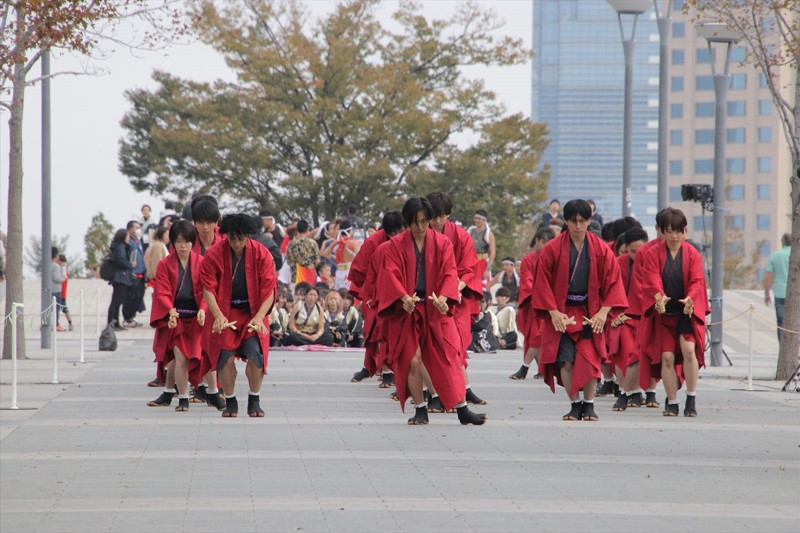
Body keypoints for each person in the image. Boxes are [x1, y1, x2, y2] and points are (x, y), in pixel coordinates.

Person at [376, 197, 487, 426]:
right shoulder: (395, 245)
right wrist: (403, 298)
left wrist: (445, 298)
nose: (420, 226)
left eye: (424, 221)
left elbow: (450, 272)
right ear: (407, 221)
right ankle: (420, 409)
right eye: (415, 222)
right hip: (408, 308)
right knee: (413, 359)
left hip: (435, 305)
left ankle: (462, 408)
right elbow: (390, 274)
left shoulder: (443, 243)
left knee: (449, 356)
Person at [533, 199, 628, 422]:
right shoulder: (553, 249)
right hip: (564, 312)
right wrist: (553, 312)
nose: (578, 226)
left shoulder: (600, 249)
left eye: (582, 221)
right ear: (566, 221)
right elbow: (542, 283)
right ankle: (575, 404)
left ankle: (589, 404)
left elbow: (614, 282)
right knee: (566, 360)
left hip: (590, 312)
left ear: (589, 220)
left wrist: (603, 312)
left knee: (590, 360)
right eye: (573, 221)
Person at [200, 213, 278, 418]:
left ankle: (254, 399)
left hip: (253, 313)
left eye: (241, 239)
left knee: (256, 354)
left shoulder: (262, 253)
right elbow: (208, 288)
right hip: (225, 314)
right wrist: (217, 315)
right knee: (224, 355)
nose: (236, 243)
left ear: (248, 236)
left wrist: (259, 317)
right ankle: (231, 400)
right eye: (232, 238)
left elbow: (269, 289)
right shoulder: (214, 253)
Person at [639, 208, 709, 417]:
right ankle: (672, 401)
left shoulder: (693, 254)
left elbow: (697, 280)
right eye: (669, 231)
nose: (674, 236)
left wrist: (691, 297)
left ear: (684, 231)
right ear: (662, 231)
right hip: (664, 312)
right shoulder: (652, 254)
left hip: (686, 311)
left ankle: (691, 397)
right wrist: (659, 296)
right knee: (667, 357)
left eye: (678, 231)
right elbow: (651, 278)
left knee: (689, 350)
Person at [427, 191, 488, 407]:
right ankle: (436, 394)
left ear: (448, 214)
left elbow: (470, 269)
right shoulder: (420, 235)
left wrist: (454, 289)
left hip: (455, 299)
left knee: (456, 347)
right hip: (429, 299)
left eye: (442, 216)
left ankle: (461, 391)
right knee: (431, 347)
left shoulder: (461, 236)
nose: (438, 221)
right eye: (434, 216)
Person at [146, 221, 207, 412]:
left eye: (187, 241)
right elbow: (162, 291)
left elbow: (207, 290)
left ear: (193, 242)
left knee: (192, 356)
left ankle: (207, 391)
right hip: (176, 318)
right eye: (179, 241)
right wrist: (170, 309)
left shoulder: (202, 262)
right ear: (172, 242)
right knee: (180, 357)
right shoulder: (165, 264)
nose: (183, 246)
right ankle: (183, 397)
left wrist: (203, 309)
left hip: (196, 319)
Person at [348, 211, 405, 385]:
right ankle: (379, 368)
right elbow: (360, 268)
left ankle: (388, 369)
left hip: (401, 291)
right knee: (377, 330)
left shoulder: (408, 240)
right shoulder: (375, 243)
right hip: (376, 291)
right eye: (394, 232)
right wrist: (370, 291)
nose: (398, 234)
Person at [607, 227, 648, 412]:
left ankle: (637, 391)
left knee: (642, 353)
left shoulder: (652, 263)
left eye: (640, 250)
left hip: (644, 316)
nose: (636, 255)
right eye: (632, 251)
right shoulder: (618, 264)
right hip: (621, 316)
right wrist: (615, 315)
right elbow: (610, 291)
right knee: (625, 351)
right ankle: (627, 390)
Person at [511, 226, 555, 380]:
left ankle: (526, 368)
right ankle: (542, 369)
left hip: (550, 304)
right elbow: (527, 281)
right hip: (534, 304)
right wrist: (540, 295)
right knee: (536, 337)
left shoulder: (555, 259)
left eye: (549, 242)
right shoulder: (529, 260)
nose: (546, 245)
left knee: (538, 337)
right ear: (537, 241)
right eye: (543, 242)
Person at [764, 233, 791, 340]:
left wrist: (767, 293)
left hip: (779, 293)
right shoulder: (796, 255)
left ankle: (782, 346)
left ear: (782, 242)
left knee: (780, 322)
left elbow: (769, 275)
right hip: (795, 294)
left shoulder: (775, 255)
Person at [106, 229, 134, 330]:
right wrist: (130, 264)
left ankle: (115, 322)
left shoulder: (118, 246)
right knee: (116, 302)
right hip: (120, 277)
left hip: (119, 277)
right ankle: (111, 322)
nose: (129, 238)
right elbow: (121, 261)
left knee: (117, 302)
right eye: (127, 236)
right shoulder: (120, 247)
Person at [122, 220, 145, 328]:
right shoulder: (128, 242)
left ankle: (132, 316)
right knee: (130, 297)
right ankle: (126, 318)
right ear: (130, 229)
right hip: (133, 273)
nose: (138, 230)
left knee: (138, 297)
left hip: (141, 273)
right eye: (136, 228)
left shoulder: (138, 241)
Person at [285, 220, 319, 288]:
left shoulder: (291, 244)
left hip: (296, 275)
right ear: (307, 230)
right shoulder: (313, 243)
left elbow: (288, 261)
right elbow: (317, 260)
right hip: (310, 274)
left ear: (297, 230)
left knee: (296, 292)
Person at [467, 209, 495, 283]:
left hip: (483, 262)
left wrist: (487, 269)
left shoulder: (488, 234)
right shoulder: (470, 231)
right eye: (475, 218)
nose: (477, 220)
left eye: (479, 218)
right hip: (471, 262)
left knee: (482, 286)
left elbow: (492, 252)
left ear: (484, 220)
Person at [49, 247, 68, 331]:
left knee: (48, 308)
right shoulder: (56, 266)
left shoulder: (47, 265)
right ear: (56, 255)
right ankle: (56, 324)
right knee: (56, 308)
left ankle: (46, 323)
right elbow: (58, 278)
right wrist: (63, 278)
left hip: (49, 289)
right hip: (56, 290)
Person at [56, 254, 74, 331]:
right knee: (63, 309)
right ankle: (69, 323)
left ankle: (69, 323)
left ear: (60, 261)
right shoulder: (63, 270)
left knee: (63, 309)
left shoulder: (62, 271)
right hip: (62, 293)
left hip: (61, 293)